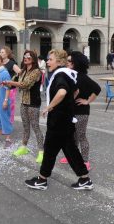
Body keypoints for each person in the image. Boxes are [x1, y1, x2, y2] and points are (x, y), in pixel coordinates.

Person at [25, 49, 93, 191]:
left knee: (50, 150)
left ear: (60, 62)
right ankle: (84, 179)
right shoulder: (67, 74)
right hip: (65, 120)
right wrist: (68, 104)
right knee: (70, 150)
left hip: (59, 121)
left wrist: (49, 107)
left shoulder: (60, 76)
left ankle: (42, 180)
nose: (47, 62)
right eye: (48, 59)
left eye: (50, 59)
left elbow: (62, 92)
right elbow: (76, 91)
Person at [59, 51, 101, 171]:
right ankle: (72, 156)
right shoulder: (71, 75)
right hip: (71, 111)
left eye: (69, 61)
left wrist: (87, 101)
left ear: (75, 63)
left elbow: (97, 88)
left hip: (82, 112)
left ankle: (85, 161)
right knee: (72, 136)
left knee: (81, 135)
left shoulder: (82, 77)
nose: (66, 63)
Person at [2, 50, 44, 163]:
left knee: (35, 127)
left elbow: (25, 84)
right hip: (24, 102)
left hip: (34, 103)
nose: (26, 58)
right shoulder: (23, 71)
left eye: (28, 57)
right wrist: (6, 83)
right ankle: (23, 147)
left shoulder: (37, 72)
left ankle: (41, 152)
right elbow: (15, 80)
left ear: (34, 59)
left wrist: (10, 83)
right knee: (25, 127)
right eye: (25, 56)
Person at [0, 46, 21, 123]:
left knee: (10, 105)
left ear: (7, 54)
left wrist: (14, 81)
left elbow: (19, 72)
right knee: (1, 105)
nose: (0, 53)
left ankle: (9, 122)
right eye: (0, 52)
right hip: (1, 88)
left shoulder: (11, 63)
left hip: (10, 88)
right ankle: (3, 122)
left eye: (2, 52)